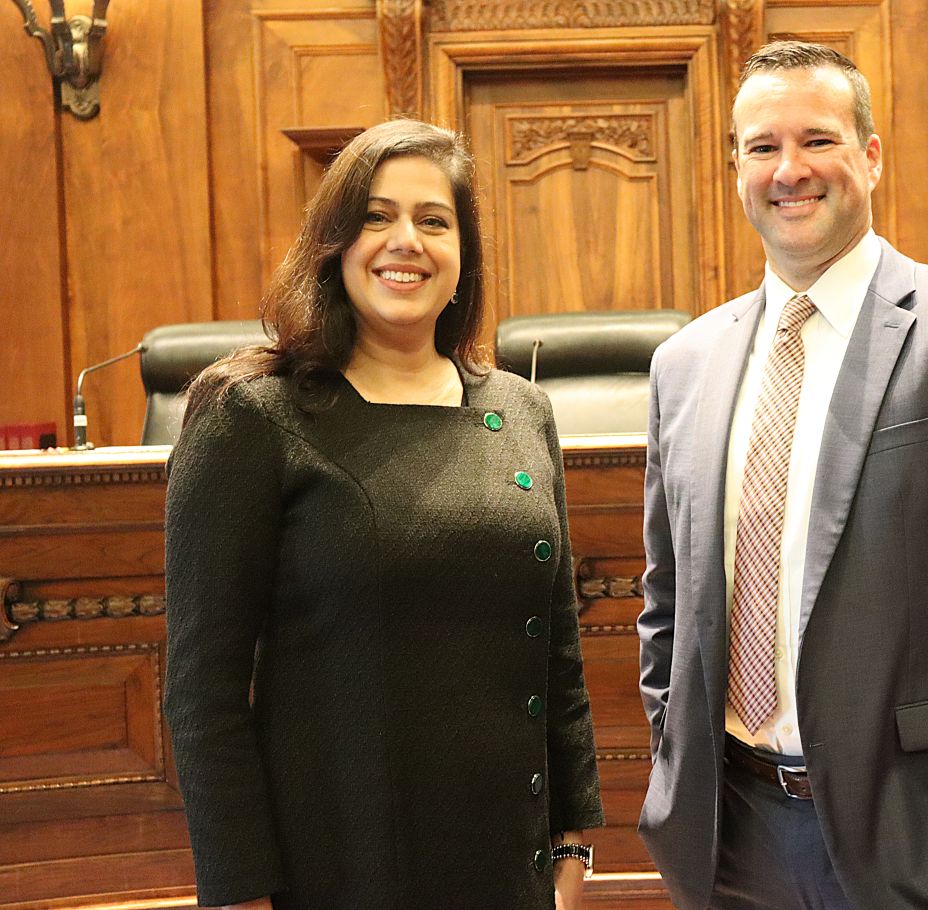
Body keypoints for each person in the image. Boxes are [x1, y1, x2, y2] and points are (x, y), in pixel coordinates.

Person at [637, 41, 928, 910]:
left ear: (871, 155)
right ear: (735, 167)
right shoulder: (684, 363)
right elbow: (667, 601)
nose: (790, 171)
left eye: (817, 140)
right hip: (731, 843)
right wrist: (678, 754)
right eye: (762, 147)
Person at [164, 119, 604, 910]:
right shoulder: (253, 417)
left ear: (462, 252)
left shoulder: (522, 409)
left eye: (433, 221)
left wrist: (573, 837)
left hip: (508, 862)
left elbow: (556, 651)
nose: (406, 240)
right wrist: (239, 891)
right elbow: (203, 690)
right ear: (334, 243)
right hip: (337, 862)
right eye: (376, 217)